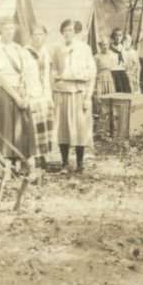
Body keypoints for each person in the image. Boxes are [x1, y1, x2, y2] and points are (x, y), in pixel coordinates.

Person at [0, 17, 42, 167]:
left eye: (12, 29)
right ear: (0, 30)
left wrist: (24, 93)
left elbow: (25, 72)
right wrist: (16, 97)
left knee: (22, 127)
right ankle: (4, 165)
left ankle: (20, 163)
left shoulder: (18, 48)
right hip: (3, 91)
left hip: (19, 90)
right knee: (6, 127)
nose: (9, 32)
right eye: (6, 29)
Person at [52, 19, 96, 173]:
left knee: (80, 128)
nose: (67, 33)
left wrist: (88, 97)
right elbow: (54, 71)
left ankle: (80, 163)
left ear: (76, 31)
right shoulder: (57, 49)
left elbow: (91, 73)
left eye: (70, 30)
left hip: (79, 93)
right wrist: (56, 80)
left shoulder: (84, 49)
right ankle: (64, 163)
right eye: (64, 30)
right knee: (62, 129)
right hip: (62, 93)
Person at [25, 24, 55, 167]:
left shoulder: (46, 52)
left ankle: (44, 156)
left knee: (46, 124)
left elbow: (48, 74)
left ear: (44, 36)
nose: (38, 37)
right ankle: (35, 156)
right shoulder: (25, 52)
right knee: (34, 126)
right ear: (31, 36)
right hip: (32, 93)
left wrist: (49, 94)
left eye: (41, 34)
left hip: (45, 93)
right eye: (35, 34)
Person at [93, 40, 116, 113]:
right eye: (103, 45)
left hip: (109, 76)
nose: (105, 46)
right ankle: (100, 113)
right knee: (99, 95)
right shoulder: (96, 57)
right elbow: (94, 69)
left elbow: (114, 66)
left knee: (110, 94)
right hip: (100, 76)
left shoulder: (112, 55)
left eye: (107, 45)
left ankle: (110, 113)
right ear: (100, 46)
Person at [108, 28, 132, 93]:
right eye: (116, 35)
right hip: (113, 74)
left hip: (123, 74)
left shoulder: (124, 49)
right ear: (113, 36)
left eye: (120, 35)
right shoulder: (109, 49)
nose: (118, 37)